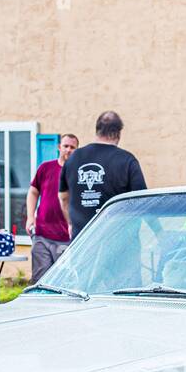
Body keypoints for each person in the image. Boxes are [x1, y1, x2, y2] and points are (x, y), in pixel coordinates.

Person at [59, 111, 147, 238]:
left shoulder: (73, 158)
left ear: (97, 130)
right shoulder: (126, 160)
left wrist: (71, 224)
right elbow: (142, 202)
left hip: (82, 241)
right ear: (118, 133)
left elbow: (63, 198)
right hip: (118, 241)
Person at [25, 133, 77, 282]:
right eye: (65, 146)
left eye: (72, 147)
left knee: (62, 281)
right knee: (40, 279)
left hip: (65, 238)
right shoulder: (45, 168)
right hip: (41, 235)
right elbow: (33, 192)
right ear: (59, 147)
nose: (68, 150)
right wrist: (30, 217)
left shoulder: (78, 173)